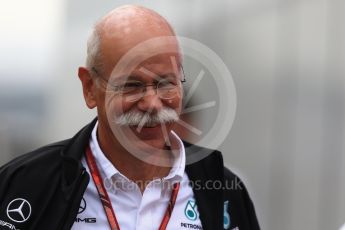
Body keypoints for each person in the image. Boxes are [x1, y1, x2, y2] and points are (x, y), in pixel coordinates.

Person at [0, 5, 260, 230]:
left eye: (165, 83)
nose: (151, 103)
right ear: (89, 88)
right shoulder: (23, 186)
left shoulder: (226, 191)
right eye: (131, 85)